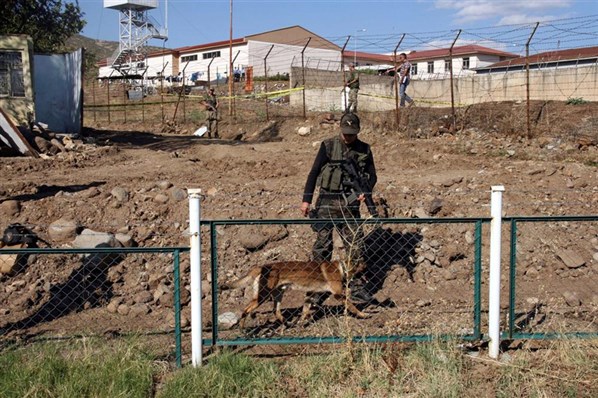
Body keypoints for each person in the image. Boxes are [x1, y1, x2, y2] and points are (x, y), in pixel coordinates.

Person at [301, 112, 377, 302]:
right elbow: (314, 173)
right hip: (326, 201)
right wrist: (306, 200)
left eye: (352, 133)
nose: (348, 137)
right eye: (345, 133)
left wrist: (362, 193)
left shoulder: (364, 149)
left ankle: (356, 286)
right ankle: (317, 289)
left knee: (355, 246)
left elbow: (372, 176)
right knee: (322, 246)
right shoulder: (328, 145)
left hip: (349, 203)